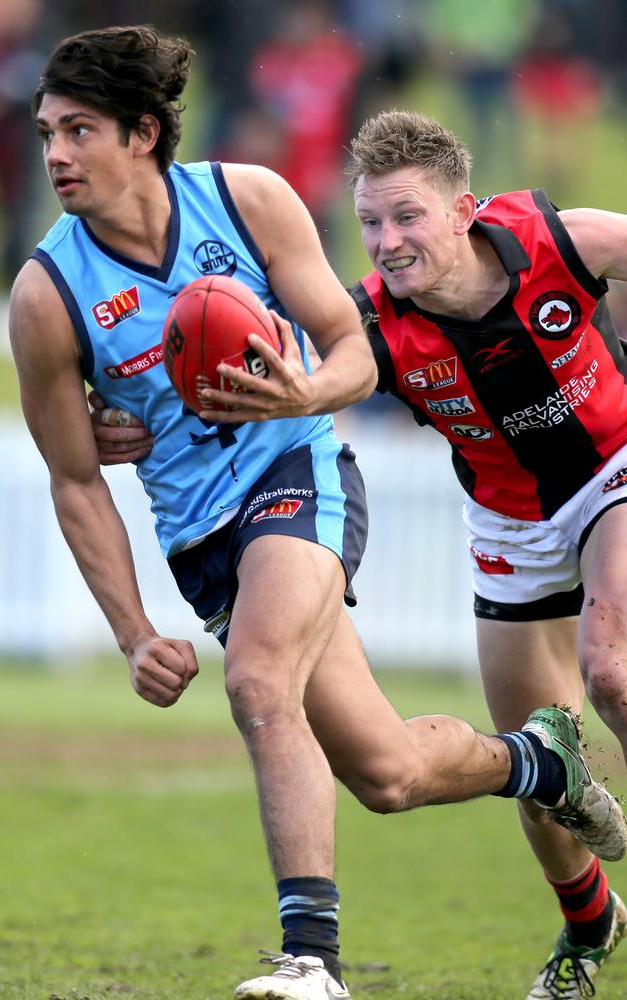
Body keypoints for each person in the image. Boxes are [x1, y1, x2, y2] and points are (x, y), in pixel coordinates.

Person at [10, 29, 626, 1000]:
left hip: (428, 475)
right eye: (45, 131)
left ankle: (309, 958)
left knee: (271, 678)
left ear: (141, 135)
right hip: (352, 533)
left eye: (76, 131)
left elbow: (331, 354)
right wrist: (133, 622)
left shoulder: (255, 200)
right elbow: (87, 469)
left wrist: (300, 399)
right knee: (386, 775)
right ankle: (555, 821)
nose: (52, 153)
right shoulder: (51, 295)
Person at [345, 109, 627, 1000]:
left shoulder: (559, 240)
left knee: (611, 669)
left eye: (407, 217)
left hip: (615, 466)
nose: (388, 242)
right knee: (543, 766)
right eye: (371, 223)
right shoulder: (374, 327)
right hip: (508, 525)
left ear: (463, 209)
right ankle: (590, 924)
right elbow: (299, 379)